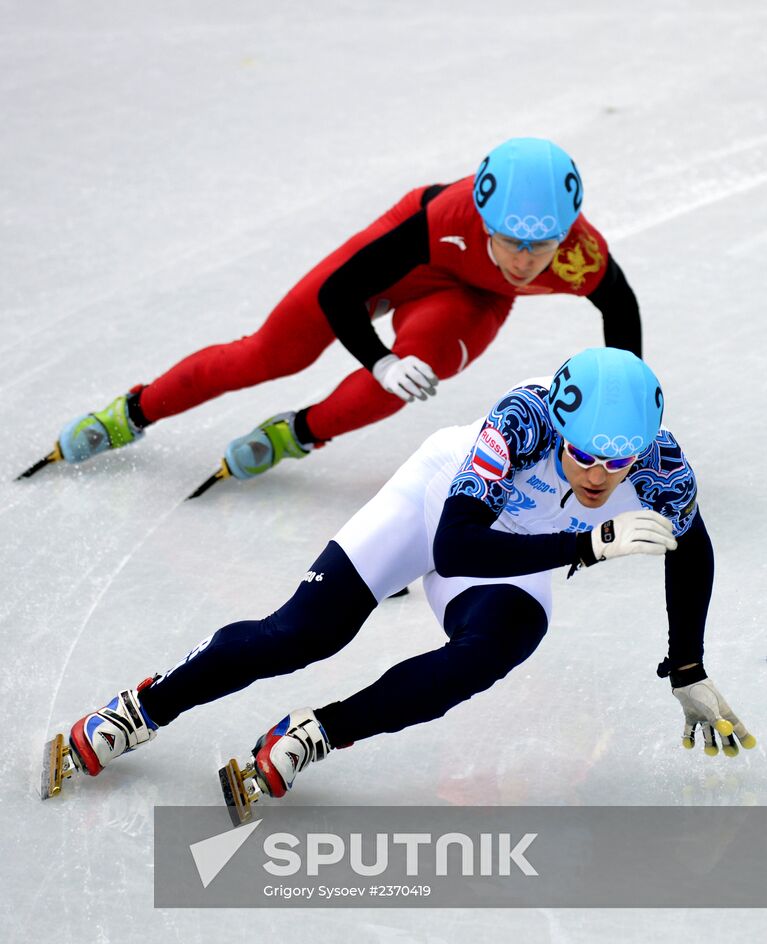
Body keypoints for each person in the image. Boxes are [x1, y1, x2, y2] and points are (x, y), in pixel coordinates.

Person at [44, 348, 755, 812]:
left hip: (527, 547)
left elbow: (689, 548)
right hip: (439, 503)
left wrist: (685, 664)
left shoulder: (660, 466)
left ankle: (317, 733)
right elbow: (454, 546)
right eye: (584, 457)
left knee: (491, 651)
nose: (600, 476)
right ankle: (141, 710)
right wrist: (587, 545)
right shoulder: (522, 422)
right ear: (560, 428)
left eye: (618, 462)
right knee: (300, 635)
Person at [49, 138, 642, 483]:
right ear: (486, 222)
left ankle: (297, 433)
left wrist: (617, 408)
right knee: (271, 354)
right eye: (512, 240)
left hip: (469, 298)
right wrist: (377, 360)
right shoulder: (442, 220)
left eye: (542, 245)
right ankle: (135, 409)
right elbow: (340, 294)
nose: (525, 260)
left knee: (422, 366)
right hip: (413, 262)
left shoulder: (578, 255)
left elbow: (621, 314)